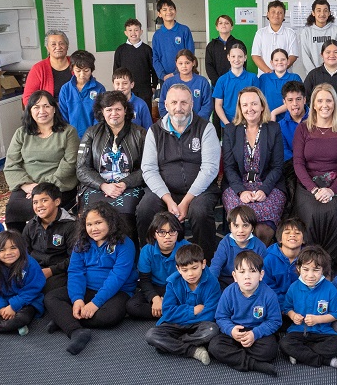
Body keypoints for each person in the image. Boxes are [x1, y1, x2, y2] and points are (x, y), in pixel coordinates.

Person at [137, 83, 221, 263]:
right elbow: (149, 169)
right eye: (174, 102)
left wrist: (186, 201)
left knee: (199, 212)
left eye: (184, 103)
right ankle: (150, 261)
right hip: (164, 190)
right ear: (165, 105)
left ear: (192, 104)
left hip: (199, 190)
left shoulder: (206, 128)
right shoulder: (154, 131)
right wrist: (168, 199)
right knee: (145, 209)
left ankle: (204, 262)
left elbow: (210, 168)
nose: (178, 107)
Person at [42, 202, 137, 355]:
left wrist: (95, 304)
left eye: (98, 223)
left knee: (110, 316)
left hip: (117, 291)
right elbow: (75, 271)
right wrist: (77, 299)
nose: (94, 228)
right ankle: (76, 331)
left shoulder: (124, 243)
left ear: (111, 222)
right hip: (88, 289)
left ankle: (65, 320)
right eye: (89, 224)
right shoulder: (82, 242)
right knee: (51, 298)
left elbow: (118, 277)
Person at [291, 83, 337, 269]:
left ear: (334, 103)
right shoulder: (303, 129)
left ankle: (332, 268)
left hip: (335, 185)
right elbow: (298, 164)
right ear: (313, 104)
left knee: (335, 213)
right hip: (308, 185)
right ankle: (310, 265)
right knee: (312, 214)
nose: (324, 104)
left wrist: (331, 190)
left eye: (328, 100)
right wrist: (314, 189)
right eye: (320, 100)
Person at [3, 90, 79, 231]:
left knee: (42, 208)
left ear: (54, 109)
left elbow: (70, 164)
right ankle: (19, 247)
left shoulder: (68, 132)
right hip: (28, 185)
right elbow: (11, 164)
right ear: (30, 111)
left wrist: (41, 186)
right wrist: (26, 185)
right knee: (13, 209)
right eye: (36, 107)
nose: (42, 111)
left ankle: (45, 246)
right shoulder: (21, 133)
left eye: (46, 106)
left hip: (57, 185)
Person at [76, 91, 147, 240]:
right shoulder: (91, 133)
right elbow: (81, 169)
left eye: (118, 109)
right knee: (94, 217)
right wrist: (103, 185)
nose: (113, 113)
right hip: (98, 187)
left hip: (130, 186)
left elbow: (147, 168)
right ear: (102, 111)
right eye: (109, 109)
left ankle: (128, 258)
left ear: (125, 110)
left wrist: (124, 183)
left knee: (125, 215)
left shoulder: (140, 134)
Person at [222, 87, 287, 242]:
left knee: (262, 230)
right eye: (245, 105)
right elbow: (229, 167)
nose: (249, 109)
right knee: (241, 223)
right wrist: (241, 192)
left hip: (268, 184)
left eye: (254, 104)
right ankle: (240, 263)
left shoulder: (273, 128)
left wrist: (264, 190)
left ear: (262, 106)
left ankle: (257, 264)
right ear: (240, 108)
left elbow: (278, 166)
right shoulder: (231, 130)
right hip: (237, 185)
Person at [143, 243, 221, 365]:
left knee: (212, 330)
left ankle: (172, 344)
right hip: (175, 324)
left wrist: (179, 314)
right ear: (178, 269)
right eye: (185, 270)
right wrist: (192, 311)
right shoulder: (172, 283)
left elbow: (210, 314)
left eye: (194, 268)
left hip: (198, 324)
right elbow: (168, 313)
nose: (190, 274)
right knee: (151, 335)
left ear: (203, 264)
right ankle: (193, 350)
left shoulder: (212, 283)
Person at [209, 250, 283, 376]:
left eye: (253, 271)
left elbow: (275, 321)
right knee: (214, 346)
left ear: (261, 275)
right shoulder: (228, 292)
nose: (247, 276)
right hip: (236, 331)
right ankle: (255, 365)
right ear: (234, 276)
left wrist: (255, 334)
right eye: (242, 272)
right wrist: (231, 330)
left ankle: (237, 357)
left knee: (270, 350)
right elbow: (221, 317)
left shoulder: (269, 295)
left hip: (257, 331)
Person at [280, 246, 337, 371]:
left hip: (323, 332)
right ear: (298, 268)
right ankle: (327, 361)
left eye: (316, 270)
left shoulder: (330, 289)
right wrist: (292, 315)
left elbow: (336, 313)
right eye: (305, 269)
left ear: (323, 270)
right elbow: (287, 308)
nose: (310, 275)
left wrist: (318, 319)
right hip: (299, 331)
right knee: (284, 344)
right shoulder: (294, 287)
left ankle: (300, 354)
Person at [126, 212, 188, 320]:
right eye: (162, 232)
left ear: (178, 233)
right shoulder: (147, 250)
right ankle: (175, 313)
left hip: (180, 287)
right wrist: (155, 299)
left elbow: (192, 279)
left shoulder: (186, 248)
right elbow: (144, 280)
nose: (167, 236)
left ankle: (166, 312)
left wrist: (168, 297)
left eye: (172, 231)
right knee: (132, 306)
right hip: (157, 287)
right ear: (154, 234)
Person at [22, 182, 77, 295]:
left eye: (44, 200)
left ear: (57, 201)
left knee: (45, 290)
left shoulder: (71, 226)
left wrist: (51, 271)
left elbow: (75, 258)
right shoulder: (31, 225)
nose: (39, 206)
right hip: (35, 267)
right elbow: (24, 251)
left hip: (59, 271)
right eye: (35, 202)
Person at [210, 205, 269, 288]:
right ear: (230, 228)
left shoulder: (259, 247)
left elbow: (264, 272)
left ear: (252, 228)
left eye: (245, 225)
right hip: (226, 281)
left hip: (249, 282)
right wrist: (211, 284)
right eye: (236, 226)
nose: (240, 230)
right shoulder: (225, 243)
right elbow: (216, 266)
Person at [58, 50, 105, 138]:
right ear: (72, 69)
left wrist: (93, 134)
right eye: (78, 71)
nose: (82, 74)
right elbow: (63, 115)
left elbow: (100, 114)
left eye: (86, 70)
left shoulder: (99, 88)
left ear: (92, 69)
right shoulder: (65, 89)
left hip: (93, 136)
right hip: (70, 136)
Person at [263, 218, 305, 311]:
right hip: (275, 306)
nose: (292, 235)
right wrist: (285, 308)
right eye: (287, 233)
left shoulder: (309, 259)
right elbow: (268, 287)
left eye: (297, 233)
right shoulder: (269, 259)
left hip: (301, 306)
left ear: (303, 240)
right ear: (280, 239)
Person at [212, 43, 258, 127]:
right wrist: (227, 123)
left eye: (240, 56)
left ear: (245, 58)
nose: (236, 59)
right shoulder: (222, 80)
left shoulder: (253, 78)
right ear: (228, 57)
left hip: (249, 124)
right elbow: (218, 105)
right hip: (228, 124)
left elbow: (258, 102)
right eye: (233, 56)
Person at [112, 18, 157, 104]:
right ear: (125, 33)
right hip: (125, 90)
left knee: (144, 113)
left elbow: (153, 69)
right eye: (130, 30)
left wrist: (153, 86)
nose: (133, 33)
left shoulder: (147, 49)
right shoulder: (120, 50)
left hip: (144, 90)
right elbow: (116, 70)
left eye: (136, 30)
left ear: (141, 31)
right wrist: (117, 85)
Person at [159, 49, 213, 119]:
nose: (184, 66)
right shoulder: (168, 83)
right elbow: (162, 105)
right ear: (176, 64)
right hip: (174, 124)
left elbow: (207, 105)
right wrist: (173, 121)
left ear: (193, 63)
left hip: (198, 124)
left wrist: (197, 121)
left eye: (187, 63)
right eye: (180, 63)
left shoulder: (202, 82)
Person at [151, 0, 195, 81]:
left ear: (175, 11)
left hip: (183, 75)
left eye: (171, 9)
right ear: (159, 14)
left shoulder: (184, 30)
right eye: (164, 9)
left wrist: (175, 73)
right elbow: (155, 58)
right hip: (164, 78)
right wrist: (162, 75)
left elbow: (190, 54)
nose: (168, 12)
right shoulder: (157, 35)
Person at [296, 0, 337, 78]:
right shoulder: (306, 32)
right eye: (319, 10)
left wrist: (329, 72)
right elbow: (306, 57)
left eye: (325, 10)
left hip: (332, 74)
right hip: (313, 76)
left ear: (329, 13)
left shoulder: (335, 30)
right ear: (313, 13)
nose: (322, 14)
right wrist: (316, 75)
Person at [23, 29, 70, 104]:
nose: (58, 47)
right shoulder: (38, 69)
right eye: (53, 44)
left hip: (75, 112)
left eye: (61, 43)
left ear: (67, 46)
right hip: (49, 113)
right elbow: (28, 98)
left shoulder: (76, 64)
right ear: (47, 48)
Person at [251, 0, 298, 76]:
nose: (276, 15)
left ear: (284, 15)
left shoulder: (290, 33)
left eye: (280, 12)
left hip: (285, 76)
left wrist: (280, 71)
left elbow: (293, 55)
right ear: (268, 14)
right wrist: (269, 72)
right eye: (273, 12)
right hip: (265, 76)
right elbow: (256, 56)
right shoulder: (260, 33)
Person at [206, 14, 247, 86]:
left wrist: (237, 79)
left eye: (227, 23)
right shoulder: (211, 45)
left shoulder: (239, 44)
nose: (223, 25)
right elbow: (209, 65)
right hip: (217, 84)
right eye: (220, 23)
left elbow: (243, 64)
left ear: (231, 27)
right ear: (217, 27)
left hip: (237, 83)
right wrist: (218, 82)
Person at [257, 48, 301, 113]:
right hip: (268, 119)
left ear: (288, 61)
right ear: (271, 63)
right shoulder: (264, 78)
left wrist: (275, 112)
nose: (279, 62)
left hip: (290, 118)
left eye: (283, 60)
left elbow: (297, 100)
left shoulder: (294, 78)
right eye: (276, 60)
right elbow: (259, 100)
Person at [276, 81, 307, 161]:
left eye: (298, 99)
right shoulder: (280, 127)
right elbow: (284, 152)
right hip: (292, 167)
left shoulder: (317, 120)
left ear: (304, 100)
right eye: (290, 100)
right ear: (284, 102)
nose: (295, 104)